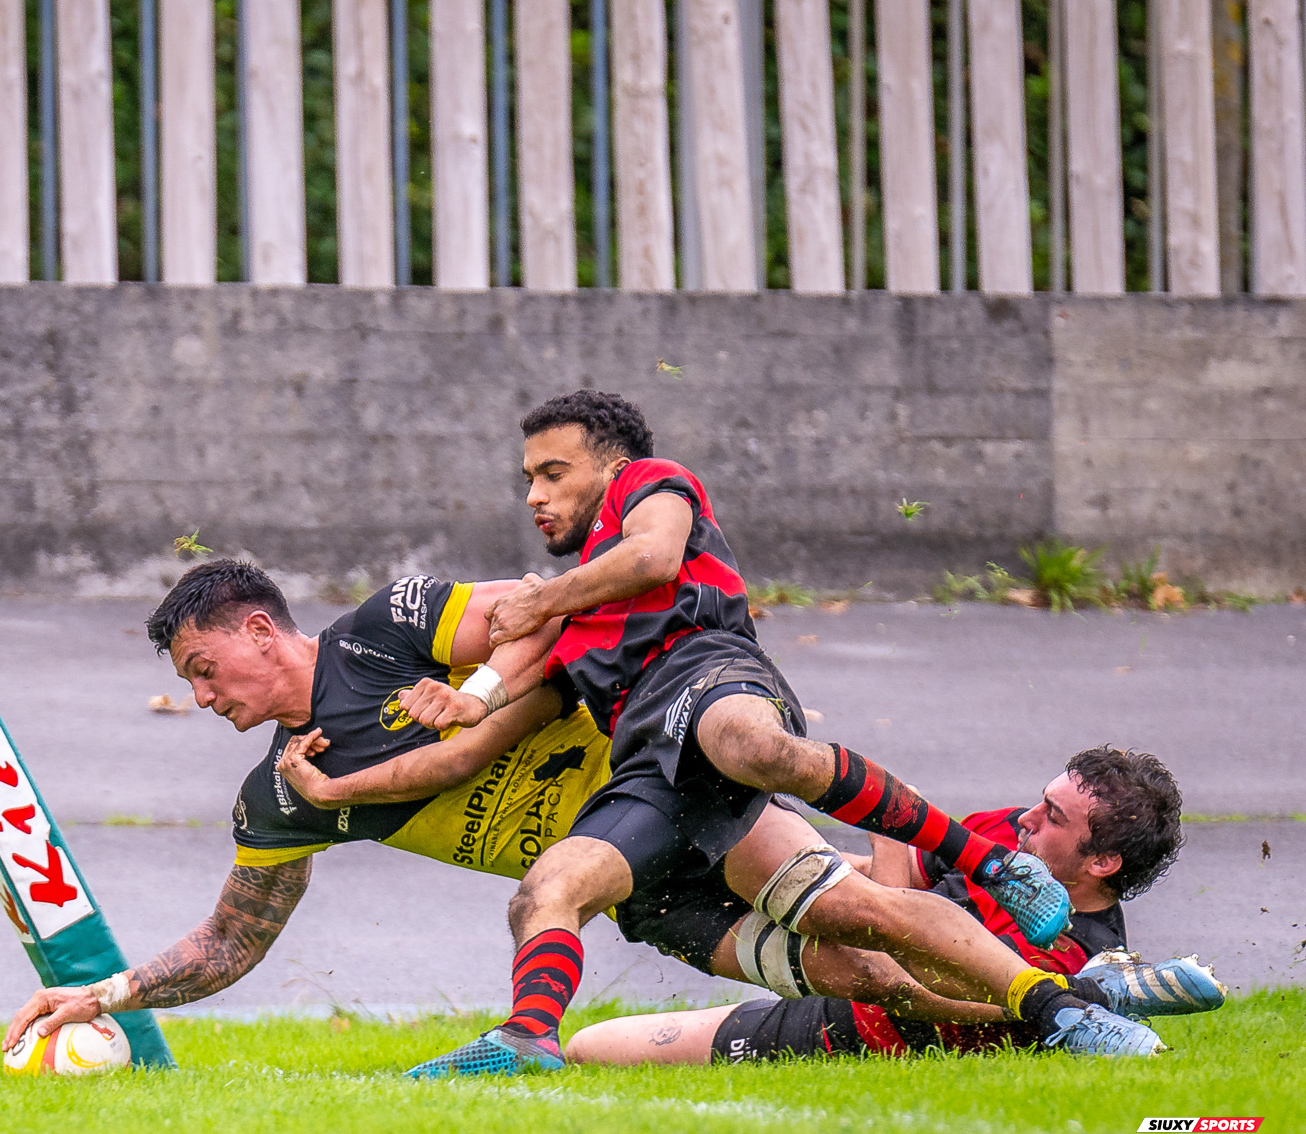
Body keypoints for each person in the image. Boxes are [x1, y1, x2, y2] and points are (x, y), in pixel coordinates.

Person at [0, 564, 1196, 1059]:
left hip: (669, 785)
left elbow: (548, 612)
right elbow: (229, 943)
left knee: (870, 914)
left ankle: (1069, 998)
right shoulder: (279, 794)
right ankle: (1055, 1020)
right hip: (642, 890)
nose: (202, 698)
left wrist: (469, 699)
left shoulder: (392, 622)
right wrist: (101, 994)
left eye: (208, 668)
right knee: (861, 976)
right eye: (190, 685)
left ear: (263, 630)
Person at [401, 391, 1161, 1076]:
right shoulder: (570, 619)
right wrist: (459, 706)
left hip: (704, 671)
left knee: (755, 750)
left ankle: (990, 866)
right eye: (528, 478)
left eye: (552, 473)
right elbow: (492, 712)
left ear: (611, 466)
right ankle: (527, 1041)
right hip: (650, 769)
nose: (535, 495)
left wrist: (540, 607)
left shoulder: (649, 484)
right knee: (551, 892)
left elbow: (656, 553)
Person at [565, 748, 1224, 1065]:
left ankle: (1087, 998)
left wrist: (885, 821)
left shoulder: (1069, 940)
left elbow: (891, 940)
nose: (1024, 820)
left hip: (851, 1030)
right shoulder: (1008, 837)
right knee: (726, 820)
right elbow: (897, 878)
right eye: (1040, 800)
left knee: (591, 1050)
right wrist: (809, 873)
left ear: (1102, 862)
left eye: (1052, 818)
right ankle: (1093, 997)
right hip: (841, 957)